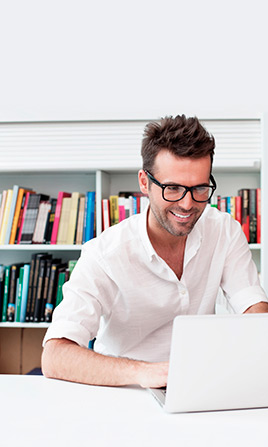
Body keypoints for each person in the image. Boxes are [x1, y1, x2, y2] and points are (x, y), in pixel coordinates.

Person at [41, 114, 268, 388]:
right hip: (123, 392)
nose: (187, 204)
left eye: (199, 188)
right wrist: (146, 373)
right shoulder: (105, 253)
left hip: (199, 386)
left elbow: (254, 307)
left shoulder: (224, 232)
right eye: (172, 188)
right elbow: (54, 356)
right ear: (144, 183)